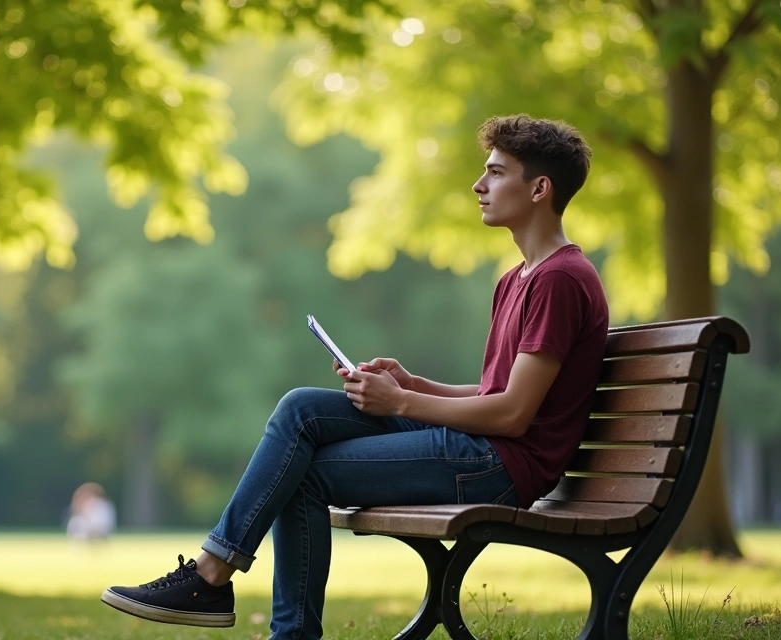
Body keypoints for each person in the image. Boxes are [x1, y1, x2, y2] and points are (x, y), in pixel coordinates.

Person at [101, 114, 610, 639]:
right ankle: (220, 578)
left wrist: (400, 404)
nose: (479, 185)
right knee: (301, 408)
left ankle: (215, 579)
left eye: (497, 173)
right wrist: (414, 385)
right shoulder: (518, 280)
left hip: (499, 466)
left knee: (301, 472)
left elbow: (512, 414)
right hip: (481, 447)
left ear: (539, 189)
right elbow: (494, 392)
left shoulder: (560, 280)